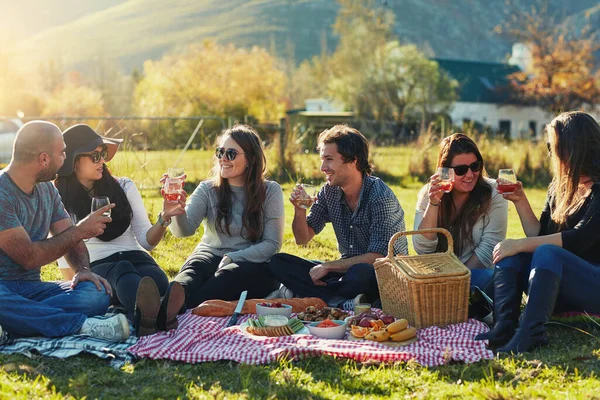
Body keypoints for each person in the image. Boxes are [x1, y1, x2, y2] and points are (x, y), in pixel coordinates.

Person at [475, 111, 600, 353]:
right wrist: (521, 202)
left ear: (572, 148)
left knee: (545, 253)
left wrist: (521, 244)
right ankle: (505, 326)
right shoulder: (560, 186)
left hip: (592, 284)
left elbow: (579, 239)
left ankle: (531, 333)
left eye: (553, 146)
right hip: (558, 286)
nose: (550, 152)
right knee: (512, 254)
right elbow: (541, 234)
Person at [0, 121, 129, 340]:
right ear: (44, 159)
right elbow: (29, 257)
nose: (65, 159)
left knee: (95, 293)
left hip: (32, 289)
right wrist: (80, 230)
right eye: (62, 153)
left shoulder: (47, 189)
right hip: (2, 290)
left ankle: (14, 321)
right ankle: (78, 326)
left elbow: (69, 236)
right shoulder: (2, 194)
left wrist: (83, 269)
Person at [55, 124, 186, 336]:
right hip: (99, 265)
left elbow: (146, 242)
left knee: (156, 278)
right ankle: (152, 316)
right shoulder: (59, 198)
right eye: (95, 156)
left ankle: (153, 316)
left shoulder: (123, 186)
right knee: (123, 271)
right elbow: (64, 249)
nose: (103, 161)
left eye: (103, 154)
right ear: (74, 161)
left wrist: (164, 218)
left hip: (137, 258)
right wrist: (77, 284)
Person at [268, 125, 408, 310]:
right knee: (279, 262)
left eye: (329, 159)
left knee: (360, 273)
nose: (322, 167)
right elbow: (303, 238)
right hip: (344, 272)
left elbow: (378, 258)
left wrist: (329, 266)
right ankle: (342, 301)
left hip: (382, 275)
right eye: (322, 159)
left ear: (353, 161)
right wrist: (300, 210)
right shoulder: (330, 192)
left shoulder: (380, 197)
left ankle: (317, 295)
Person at [170, 124, 284, 308]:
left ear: (251, 159)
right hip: (209, 254)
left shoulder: (270, 191)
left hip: (249, 262)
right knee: (190, 275)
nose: (223, 158)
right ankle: (160, 309)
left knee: (227, 277)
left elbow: (272, 244)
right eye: (220, 152)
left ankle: (177, 309)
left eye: (231, 153)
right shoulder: (207, 189)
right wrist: (176, 210)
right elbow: (184, 231)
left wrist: (234, 257)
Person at [413, 134, 507, 294]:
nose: (470, 175)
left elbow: (489, 249)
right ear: (444, 171)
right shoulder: (430, 193)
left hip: (475, 275)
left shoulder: (493, 193)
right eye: (461, 170)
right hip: (436, 277)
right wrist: (434, 202)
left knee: (494, 279)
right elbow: (422, 249)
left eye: (475, 166)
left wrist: (455, 282)